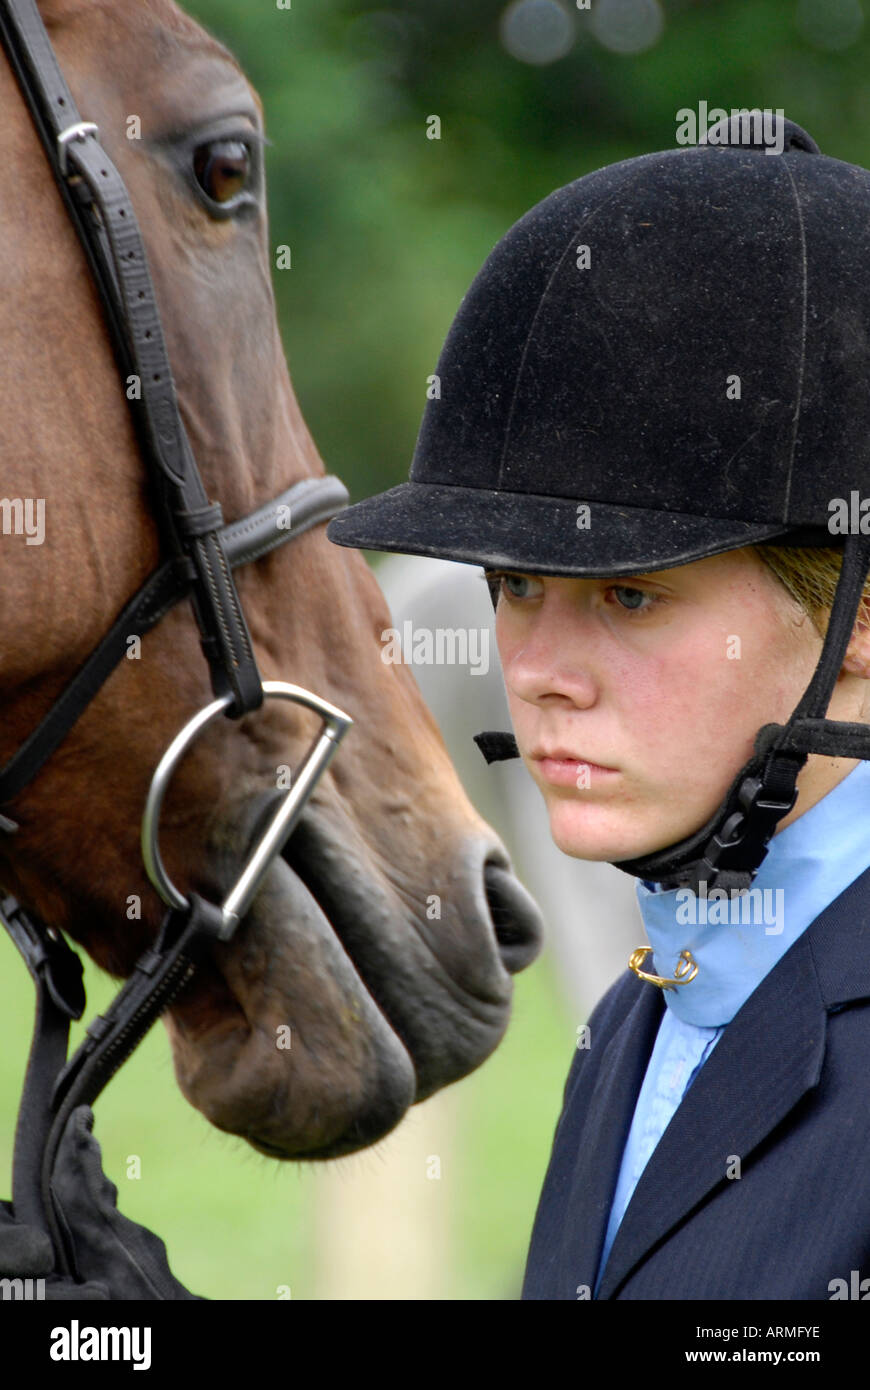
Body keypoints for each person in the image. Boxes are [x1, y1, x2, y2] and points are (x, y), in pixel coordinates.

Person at [327, 112, 870, 1299]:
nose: (539, 672)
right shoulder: (641, 1011)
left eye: (629, 596)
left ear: (860, 624)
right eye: (516, 587)